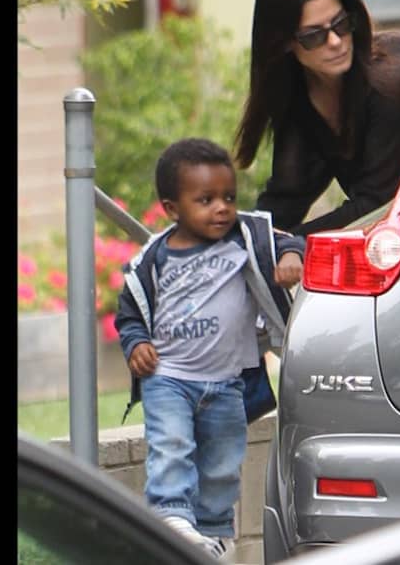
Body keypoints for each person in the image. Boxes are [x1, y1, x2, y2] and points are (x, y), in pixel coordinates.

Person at [113, 138, 304, 561]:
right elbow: (129, 312)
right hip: (169, 377)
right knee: (172, 444)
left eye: (228, 197)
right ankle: (171, 516)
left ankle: (214, 534)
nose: (221, 207)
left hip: (226, 383)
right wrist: (137, 342)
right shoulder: (154, 259)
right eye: (205, 200)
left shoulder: (246, 237)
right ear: (172, 208)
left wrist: (290, 256)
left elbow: (290, 240)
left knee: (222, 462)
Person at [234, 0, 400, 236]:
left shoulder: (395, 74)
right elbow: (284, 202)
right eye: (314, 35)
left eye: (341, 24)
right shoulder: (300, 102)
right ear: (285, 43)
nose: (335, 42)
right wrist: (234, 244)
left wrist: (292, 244)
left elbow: (378, 204)